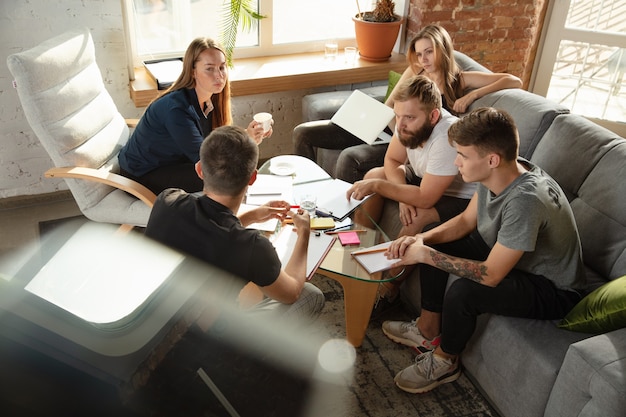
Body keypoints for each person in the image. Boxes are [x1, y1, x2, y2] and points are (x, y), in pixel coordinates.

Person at [381, 107, 586, 394]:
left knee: (465, 291)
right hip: (512, 255)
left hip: (553, 288)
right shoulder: (500, 172)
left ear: (491, 159)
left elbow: (489, 276)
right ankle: (427, 330)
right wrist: (422, 241)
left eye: (462, 155)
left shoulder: (525, 200)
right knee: (433, 244)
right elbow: (466, 221)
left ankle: (445, 361)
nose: (456, 162)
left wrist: (425, 255)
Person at [293, 24, 522, 183]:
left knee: (349, 157)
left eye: (429, 52)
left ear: (442, 50)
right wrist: (371, 117)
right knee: (303, 133)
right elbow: (391, 104)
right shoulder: (416, 70)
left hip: (406, 140)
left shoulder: (459, 80)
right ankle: (305, 190)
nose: (424, 59)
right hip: (383, 126)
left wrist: (471, 96)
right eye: (420, 53)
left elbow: (514, 80)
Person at [144, 125, 325, 325]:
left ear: (199, 170)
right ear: (253, 178)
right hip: (207, 342)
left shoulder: (168, 201)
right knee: (312, 295)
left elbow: (210, 234)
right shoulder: (252, 246)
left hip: (150, 322)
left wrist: (253, 216)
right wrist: (303, 234)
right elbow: (292, 293)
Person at [346, 75, 476, 303]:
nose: (400, 125)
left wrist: (387, 189)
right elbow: (393, 159)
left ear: (434, 116)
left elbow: (425, 199)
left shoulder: (447, 137)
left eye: (409, 118)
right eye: (397, 116)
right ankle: (356, 254)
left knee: (415, 219)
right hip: (424, 179)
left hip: (459, 197)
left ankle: (387, 289)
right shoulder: (407, 123)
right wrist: (402, 194)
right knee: (374, 174)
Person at [119, 37, 272, 195]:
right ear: (193, 71)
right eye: (209, 69)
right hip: (142, 175)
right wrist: (247, 141)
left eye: (222, 67)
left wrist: (248, 136)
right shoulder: (177, 110)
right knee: (226, 176)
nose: (219, 75)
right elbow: (209, 161)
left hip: (174, 161)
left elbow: (215, 144)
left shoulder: (209, 99)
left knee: (231, 172)